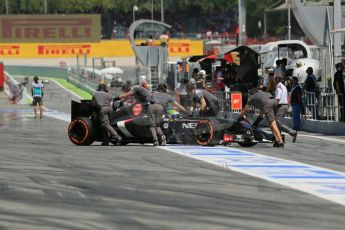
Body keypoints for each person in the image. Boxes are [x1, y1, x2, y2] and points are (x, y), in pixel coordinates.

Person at [238, 84, 284, 148]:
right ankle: (277, 140)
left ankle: (281, 142)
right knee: (271, 124)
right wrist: (257, 121)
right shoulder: (262, 93)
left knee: (273, 124)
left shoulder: (251, 98)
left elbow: (246, 109)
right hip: (275, 102)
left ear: (251, 94)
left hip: (268, 105)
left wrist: (240, 117)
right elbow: (262, 111)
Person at [274, 75, 297, 142]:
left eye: (275, 79)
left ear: (277, 80)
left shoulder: (279, 87)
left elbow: (278, 98)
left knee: (277, 122)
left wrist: (272, 104)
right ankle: (279, 138)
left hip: (282, 105)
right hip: (283, 105)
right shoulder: (283, 86)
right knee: (277, 122)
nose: (274, 80)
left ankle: (292, 132)